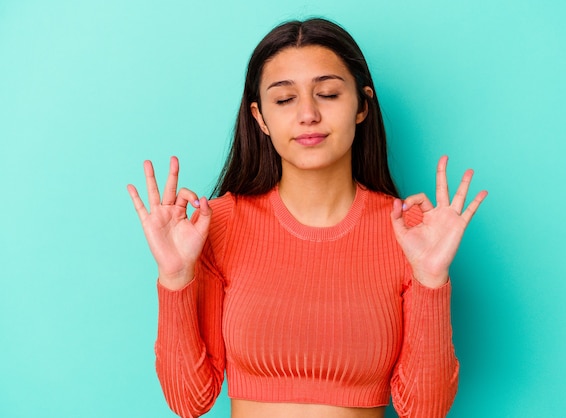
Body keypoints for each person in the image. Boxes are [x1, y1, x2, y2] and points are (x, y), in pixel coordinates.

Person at [127, 18, 487, 418]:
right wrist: (175, 278)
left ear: (362, 105)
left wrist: (431, 279)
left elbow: (425, 410)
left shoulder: (411, 234)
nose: (308, 114)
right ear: (260, 117)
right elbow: (188, 401)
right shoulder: (219, 224)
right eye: (284, 100)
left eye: (328, 94)